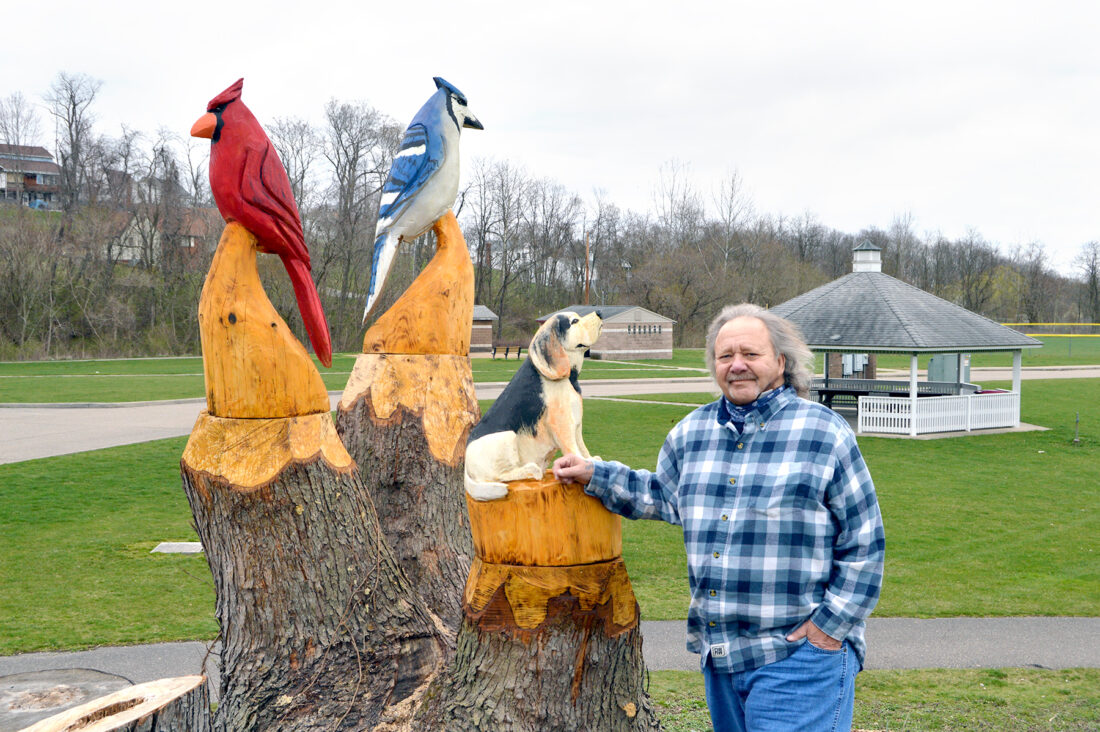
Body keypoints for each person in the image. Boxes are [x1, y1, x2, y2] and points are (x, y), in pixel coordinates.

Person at [553, 303, 885, 732]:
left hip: (798, 657)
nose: (737, 364)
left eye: (751, 353)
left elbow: (864, 541)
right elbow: (663, 495)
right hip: (722, 659)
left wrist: (828, 629)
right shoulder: (691, 433)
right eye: (725, 355)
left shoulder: (823, 432)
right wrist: (594, 474)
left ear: (780, 362)